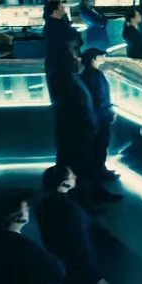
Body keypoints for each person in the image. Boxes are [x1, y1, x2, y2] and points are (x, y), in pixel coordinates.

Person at [49, 49, 104, 203]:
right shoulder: (68, 82)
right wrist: (90, 125)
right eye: (74, 58)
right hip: (77, 133)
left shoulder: (67, 80)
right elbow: (79, 109)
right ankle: (82, 202)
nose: (78, 60)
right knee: (80, 167)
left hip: (75, 132)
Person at [78, 49, 121, 198]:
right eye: (102, 55)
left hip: (93, 118)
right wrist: (109, 112)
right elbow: (100, 97)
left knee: (98, 148)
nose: (104, 57)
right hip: (100, 117)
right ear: (94, 58)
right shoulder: (96, 75)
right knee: (100, 147)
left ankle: (101, 172)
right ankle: (99, 177)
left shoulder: (84, 75)